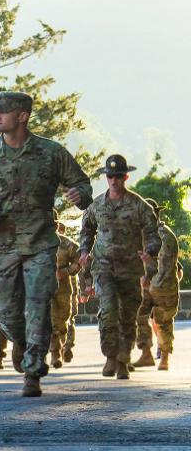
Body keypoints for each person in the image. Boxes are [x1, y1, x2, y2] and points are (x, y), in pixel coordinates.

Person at [0, 91, 92, 397]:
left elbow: (82, 184)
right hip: (1, 245)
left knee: (38, 304)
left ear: (22, 116)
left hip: (40, 243)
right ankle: (20, 340)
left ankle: (33, 370)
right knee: (0, 306)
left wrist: (79, 195)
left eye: (2, 111)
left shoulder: (50, 152)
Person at [79, 154, 160, 380]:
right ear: (106, 178)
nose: (113, 180)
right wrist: (84, 251)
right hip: (104, 268)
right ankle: (110, 357)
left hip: (130, 269)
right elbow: (86, 229)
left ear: (125, 177)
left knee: (127, 316)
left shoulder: (139, 205)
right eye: (110, 176)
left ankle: (123, 360)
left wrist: (149, 252)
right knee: (107, 312)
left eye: (117, 176)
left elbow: (153, 234)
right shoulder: (97, 205)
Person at [134, 198, 182, 371]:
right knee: (139, 317)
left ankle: (165, 359)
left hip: (163, 287)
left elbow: (166, 268)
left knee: (163, 322)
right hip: (145, 286)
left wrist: (150, 283)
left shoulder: (165, 235)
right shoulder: (143, 236)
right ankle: (146, 353)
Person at [51, 213, 81, 369]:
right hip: (42, 288)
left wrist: (66, 271)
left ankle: (64, 347)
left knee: (63, 320)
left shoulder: (66, 244)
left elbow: (80, 259)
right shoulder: (35, 243)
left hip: (63, 287)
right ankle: (55, 354)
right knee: (49, 321)